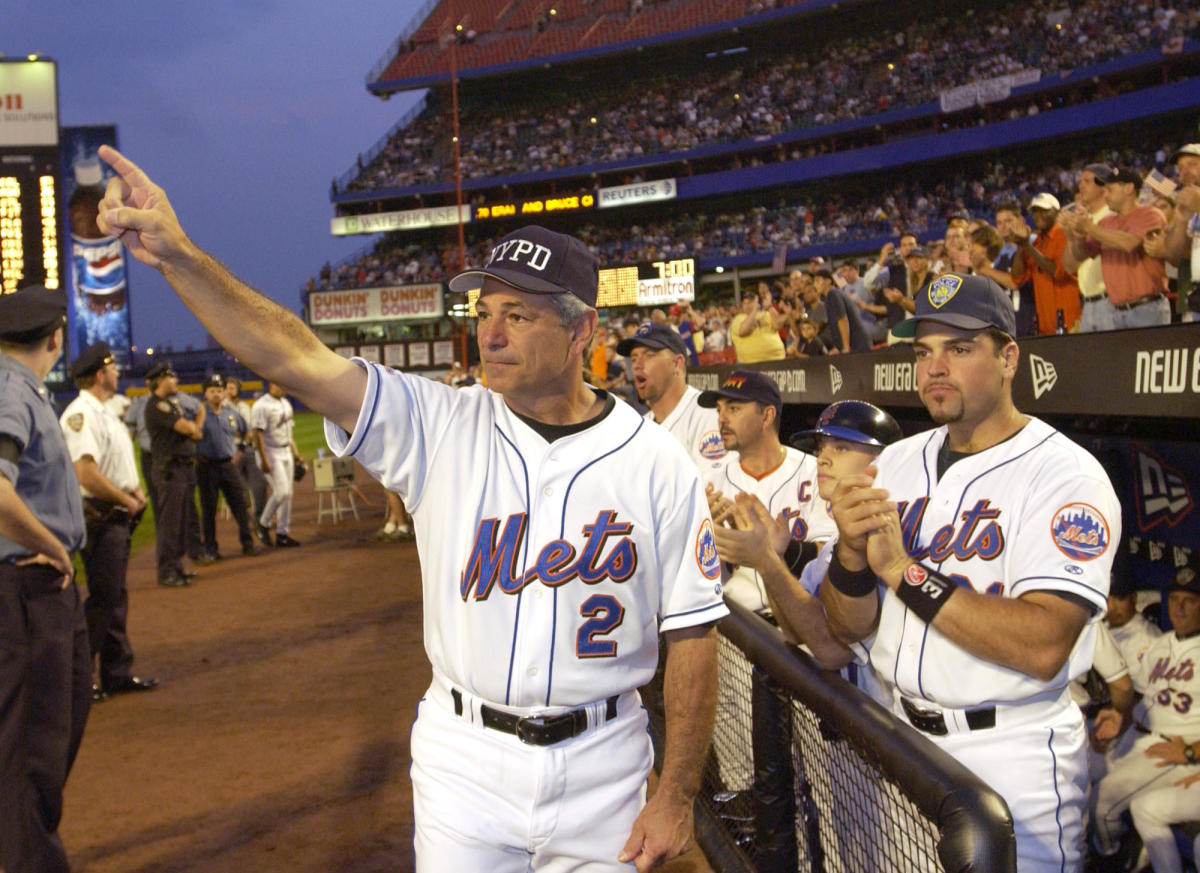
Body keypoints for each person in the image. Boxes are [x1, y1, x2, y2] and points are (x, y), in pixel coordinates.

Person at [97, 145, 726, 872]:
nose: (489, 333)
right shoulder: (440, 423)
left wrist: (676, 794)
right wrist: (180, 256)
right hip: (466, 762)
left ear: (582, 331)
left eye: (517, 314)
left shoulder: (655, 462)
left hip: (605, 768)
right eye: (484, 311)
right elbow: (293, 357)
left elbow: (694, 639)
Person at [819, 272, 1121, 872]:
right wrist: (851, 560)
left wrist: (906, 572)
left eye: (959, 348)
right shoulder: (896, 462)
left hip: (1010, 755)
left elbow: (1042, 645)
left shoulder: (1065, 475)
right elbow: (846, 628)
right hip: (897, 740)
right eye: (923, 351)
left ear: (1009, 357)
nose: (935, 367)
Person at [0, 284, 91, 873]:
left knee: (55, 729)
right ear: (55, 338)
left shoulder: (22, 388)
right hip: (26, 587)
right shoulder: (11, 389)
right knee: (33, 747)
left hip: (40, 589)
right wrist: (51, 544)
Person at [59, 341, 158, 701]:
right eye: (113, 368)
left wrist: (134, 492)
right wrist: (127, 500)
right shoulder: (81, 414)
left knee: (114, 597)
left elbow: (114, 466)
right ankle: (78, 679)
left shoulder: (104, 411)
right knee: (103, 600)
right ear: (100, 375)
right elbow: (85, 473)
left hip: (114, 515)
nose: (118, 373)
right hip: (99, 517)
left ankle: (116, 672)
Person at [1093, 556, 1200, 873]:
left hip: (1168, 747)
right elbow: (1141, 695)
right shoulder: (1161, 644)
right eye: (1175, 600)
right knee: (1082, 776)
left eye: (1190, 601)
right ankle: (1131, 852)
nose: (1178, 608)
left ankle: (1109, 860)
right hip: (1135, 735)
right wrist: (1117, 716)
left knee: (1103, 803)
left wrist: (1190, 751)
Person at [700, 370, 835, 612]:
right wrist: (702, 539)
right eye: (719, 410)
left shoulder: (814, 474)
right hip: (736, 626)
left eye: (733, 409)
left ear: (767, 416)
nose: (721, 419)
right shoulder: (710, 483)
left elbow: (829, 556)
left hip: (801, 624)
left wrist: (774, 551)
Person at [1061, 166, 1169, 329]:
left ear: (1129, 188)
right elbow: (1080, 255)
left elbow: (1130, 243)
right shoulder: (1106, 222)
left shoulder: (1150, 214)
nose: (1105, 195)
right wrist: (1075, 236)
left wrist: (1089, 227)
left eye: (1110, 190)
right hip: (1116, 311)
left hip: (1147, 308)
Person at [617, 321, 727, 478]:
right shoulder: (641, 425)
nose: (636, 366)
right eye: (633, 359)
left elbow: (714, 493)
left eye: (649, 355)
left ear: (677, 363)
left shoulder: (707, 415)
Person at [143, 361, 204, 587]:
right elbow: (188, 430)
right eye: (171, 377)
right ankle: (166, 571)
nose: (176, 381)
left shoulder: (171, 404)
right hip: (170, 470)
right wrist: (193, 429)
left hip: (182, 468)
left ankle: (176, 566)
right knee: (170, 522)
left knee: (181, 520)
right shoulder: (158, 406)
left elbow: (194, 432)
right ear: (160, 381)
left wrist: (193, 429)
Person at [196, 374, 262, 558]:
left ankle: (248, 544)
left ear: (224, 393)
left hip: (228, 465)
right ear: (205, 394)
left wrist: (240, 449)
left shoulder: (231, 414)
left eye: (219, 390)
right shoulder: (199, 414)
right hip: (206, 467)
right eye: (212, 391)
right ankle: (211, 549)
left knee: (240, 506)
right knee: (209, 511)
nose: (216, 394)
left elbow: (247, 431)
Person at [1009, 193, 1080, 334]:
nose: (1038, 215)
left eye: (1044, 210)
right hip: (1046, 325)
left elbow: (1059, 272)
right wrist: (1020, 246)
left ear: (1058, 213)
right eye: (1035, 211)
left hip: (1070, 320)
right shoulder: (1036, 243)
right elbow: (1018, 277)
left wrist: (1027, 246)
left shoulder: (1064, 235)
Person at [251, 382, 303, 548]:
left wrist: (296, 454)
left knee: (288, 495)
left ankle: (282, 534)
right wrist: (263, 459)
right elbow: (256, 434)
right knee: (281, 492)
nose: (285, 388)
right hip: (270, 453)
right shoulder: (261, 405)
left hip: (286, 450)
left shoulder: (286, 403)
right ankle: (263, 523)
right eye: (282, 385)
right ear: (272, 384)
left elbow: (289, 432)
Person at [224, 376, 267, 519]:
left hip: (247, 449)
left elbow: (249, 430)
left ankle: (260, 518)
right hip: (230, 451)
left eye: (233, 388)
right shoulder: (221, 407)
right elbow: (227, 430)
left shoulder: (245, 407)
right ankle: (245, 519)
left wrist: (241, 433)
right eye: (228, 388)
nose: (230, 391)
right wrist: (241, 431)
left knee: (260, 484)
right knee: (239, 488)